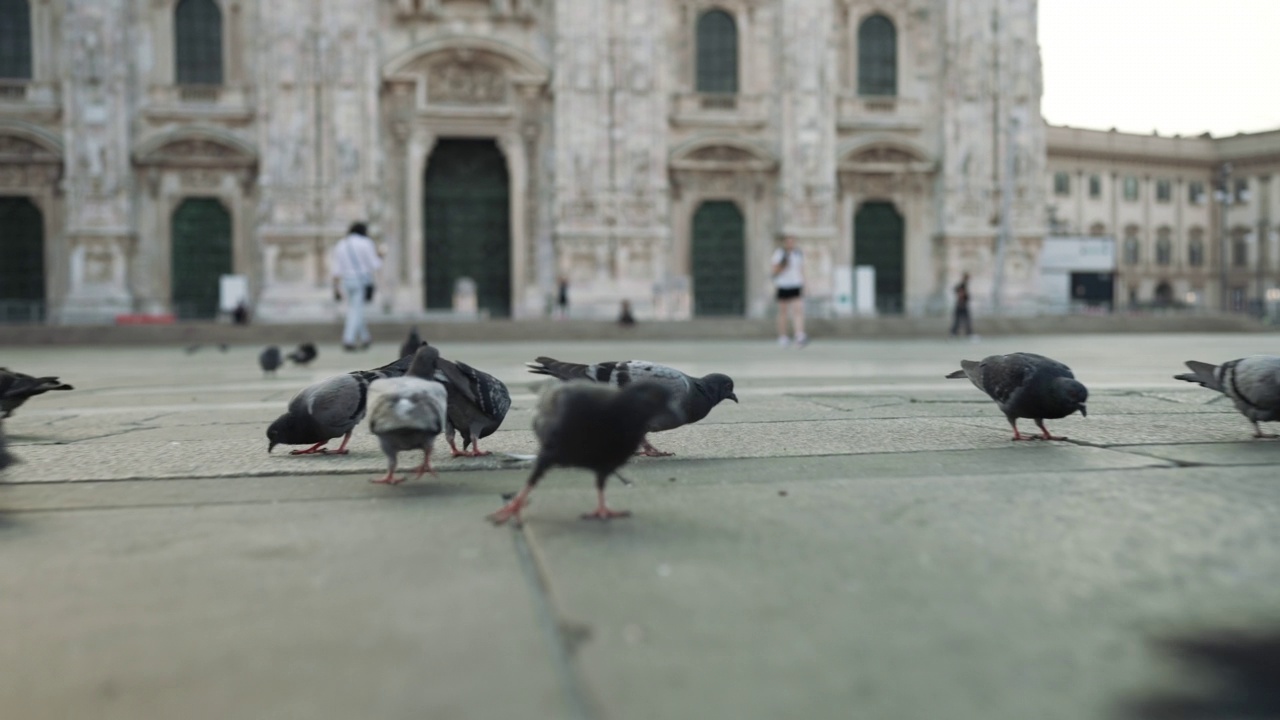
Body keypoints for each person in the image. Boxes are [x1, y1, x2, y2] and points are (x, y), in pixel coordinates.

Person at [330, 222, 383, 351]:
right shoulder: (366, 243)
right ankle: (348, 339)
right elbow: (374, 265)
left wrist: (336, 286)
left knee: (354, 309)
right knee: (356, 310)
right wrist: (381, 256)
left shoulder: (341, 244)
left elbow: (336, 269)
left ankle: (366, 338)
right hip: (361, 280)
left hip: (346, 281)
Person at [771, 235, 807, 347]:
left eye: (792, 241)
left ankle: (799, 335)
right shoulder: (779, 254)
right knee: (783, 312)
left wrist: (804, 283)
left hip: (796, 285)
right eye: (788, 241)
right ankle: (783, 336)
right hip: (783, 285)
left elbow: (801, 269)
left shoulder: (798, 253)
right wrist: (784, 265)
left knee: (798, 310)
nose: (790, 243)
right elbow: (775, 270)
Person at [951, 272, 973, 338]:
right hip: (961, 305)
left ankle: (954, 333)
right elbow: (960, 293)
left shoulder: (964, 284)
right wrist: (961, 302)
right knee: (962, 320)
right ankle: (954, 333)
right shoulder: (962, 285)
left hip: (962, 305)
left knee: (961, 320)